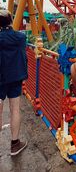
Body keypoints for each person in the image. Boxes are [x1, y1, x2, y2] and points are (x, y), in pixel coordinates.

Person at [0, 10, 28, 155]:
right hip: (14, 76)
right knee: (15, 109)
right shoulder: (20, 37)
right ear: (11, 20)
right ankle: (15, 144)